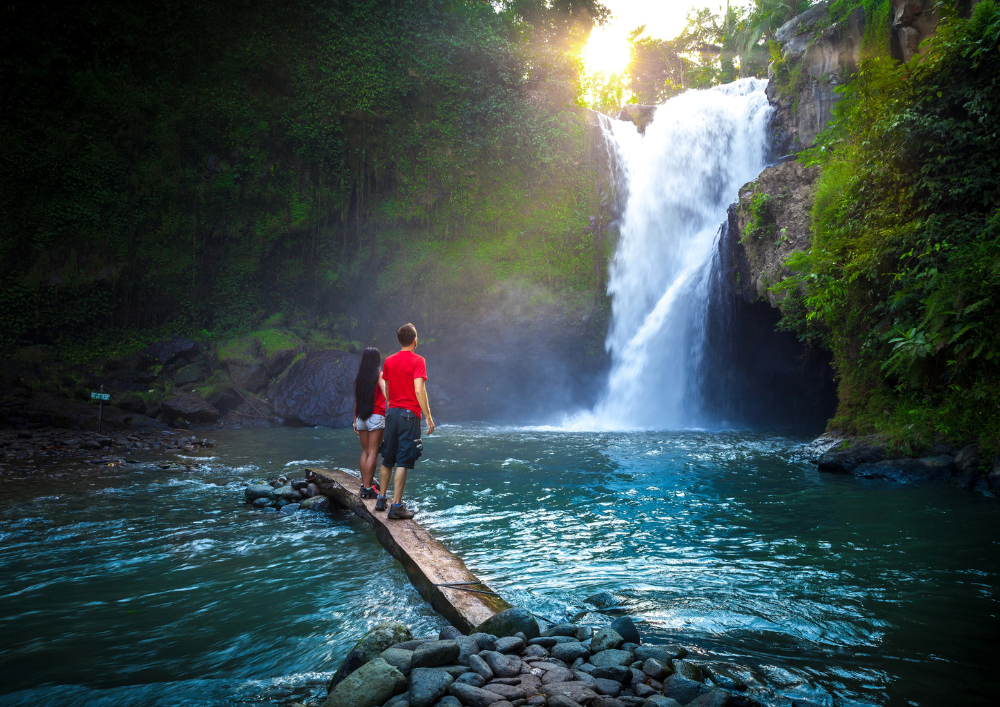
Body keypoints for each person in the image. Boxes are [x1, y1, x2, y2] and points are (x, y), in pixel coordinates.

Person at [376, 322, 435, 520]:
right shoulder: (418, 361)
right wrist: (428, 416)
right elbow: (419, 389)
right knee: (403, 459)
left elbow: (388, 389)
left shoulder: (389, 361)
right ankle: (396, 507)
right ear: (415, 341)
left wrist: (391, 406)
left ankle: (381, 499)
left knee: (387, 457)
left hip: (391, 412)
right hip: (410, 415)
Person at [352, 347, 387, 499]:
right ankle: (368, 488)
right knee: (373, 452)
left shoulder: (360, 378)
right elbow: (385, 390)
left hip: (361, 417)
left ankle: (364, 485)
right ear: (377, 360)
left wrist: (354, 421)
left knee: (365, 451)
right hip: (376, 416)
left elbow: (357, 401)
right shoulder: (379, 375)